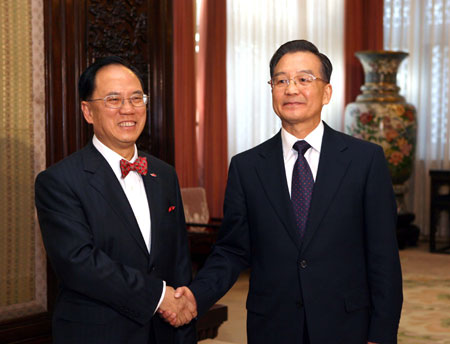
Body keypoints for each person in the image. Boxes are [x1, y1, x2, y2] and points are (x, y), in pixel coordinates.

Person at [167, 40, 403, 343]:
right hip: (273, 326)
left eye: (304, 79)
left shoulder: (365, 160)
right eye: (281, 80)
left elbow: (383, 256)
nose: (291, 89)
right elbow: (232, 250)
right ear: (272, 91)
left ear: (326, 92)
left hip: (346, 326)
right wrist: (196, 296)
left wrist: (381, 334)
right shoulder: (246, 167)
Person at [35, 56, 197, 344]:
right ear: (87, 111)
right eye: (113, 99)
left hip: (166, 331)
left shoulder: (164, 173)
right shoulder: (59, 181)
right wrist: (159, 297)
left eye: (137, 98)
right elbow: (80, 264)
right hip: (98, 333)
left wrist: (182, 314)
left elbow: (179, 257)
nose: (128, 109)